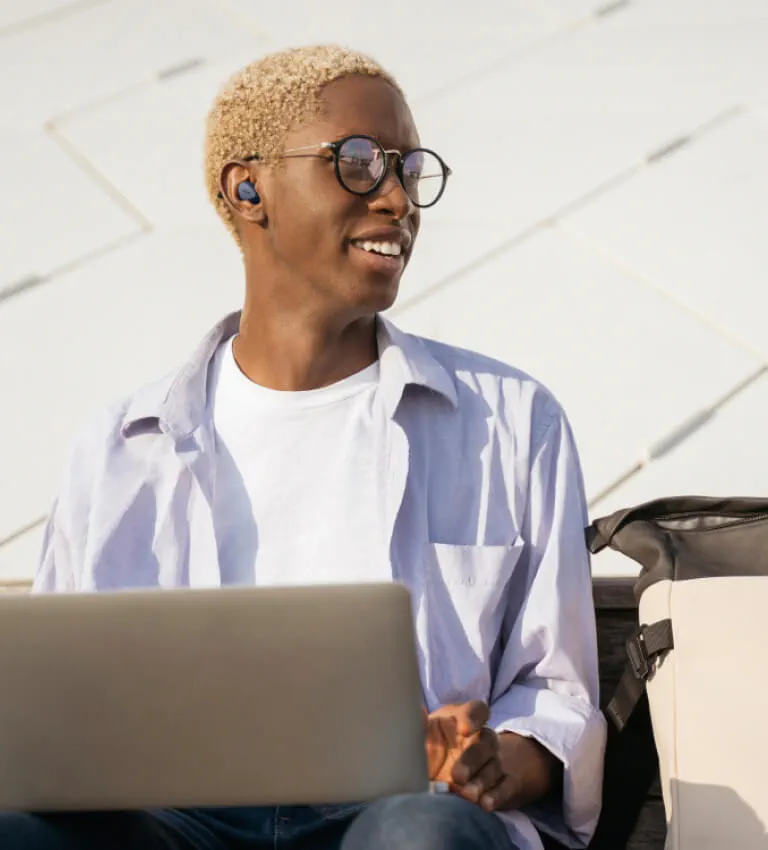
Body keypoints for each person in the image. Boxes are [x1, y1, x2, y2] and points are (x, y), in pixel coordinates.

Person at [0, 45, 605, 850]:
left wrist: (500, 761)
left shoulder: (511, 423)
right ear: (247, 188)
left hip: (406, 809)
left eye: (408, 168)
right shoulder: (117, 451)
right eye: (357, 163)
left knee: (420, 835)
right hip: (178, 825)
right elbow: (64, 711)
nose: (397, 198)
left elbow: (556, 692)